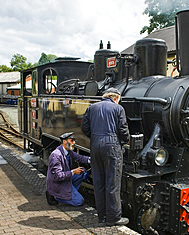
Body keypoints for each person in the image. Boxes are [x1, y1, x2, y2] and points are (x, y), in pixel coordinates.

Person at [81, 88, 130, 226]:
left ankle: (101, 216)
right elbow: (123, 129)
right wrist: (125, 141)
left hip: (95, 146)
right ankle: (114, 218)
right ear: (116, 98)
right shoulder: (118, 108)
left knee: (98, 181)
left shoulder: (92, 107)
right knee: (112, 182)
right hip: (112, 146)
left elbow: (84, 127)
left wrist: (95, 138)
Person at [46, 132, 90, 206]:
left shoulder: (68, 152)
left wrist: (92, 159)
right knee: (79, 201)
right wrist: (73, 171)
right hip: (58, 183)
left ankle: (69, 192)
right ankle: (59, 197)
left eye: (74, 140)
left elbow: (80, 158)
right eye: (72, 140)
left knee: (82, 173)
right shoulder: (56, 155)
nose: (74, 143)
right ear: (64, 141)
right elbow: (58, 176)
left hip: (65, 179)